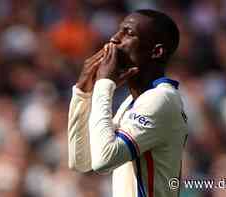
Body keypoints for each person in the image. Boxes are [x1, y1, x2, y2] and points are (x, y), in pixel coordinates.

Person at [68, 9, 188, 197]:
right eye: (118, 30)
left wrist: (104, 84)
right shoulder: (133, 101)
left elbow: (104, 160)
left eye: (129, 33)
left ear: (156, 51)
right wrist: (83, 93)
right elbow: (82, 161)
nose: (115, 39)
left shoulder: (162, 99)